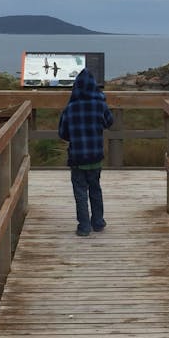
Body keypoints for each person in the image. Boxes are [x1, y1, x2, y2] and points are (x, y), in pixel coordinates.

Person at [58, 68, 114, 236]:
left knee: (80, 191)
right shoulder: (100, 104)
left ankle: (84, 226)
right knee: (95, 188)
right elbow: (110, 122)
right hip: (95, 156)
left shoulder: (70, 108)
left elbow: (63, 133)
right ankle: (98, 222)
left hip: (77, 157)